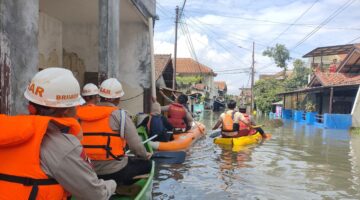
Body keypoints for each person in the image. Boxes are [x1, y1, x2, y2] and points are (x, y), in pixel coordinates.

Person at [0, 68, 116, 200]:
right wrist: (112, 184)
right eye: (75, 105)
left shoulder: (7, 130)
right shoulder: (62, 145)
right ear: (67, 111)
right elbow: (95, 195)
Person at [76, 78, 152, 187]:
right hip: (114, 173)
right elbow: (136, 147)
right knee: (146, 164)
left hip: (88, 172)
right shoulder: (120, 115)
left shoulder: (80, 115)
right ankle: (120, 186)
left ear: (100, 96)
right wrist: (144, 156)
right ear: (118, 99)